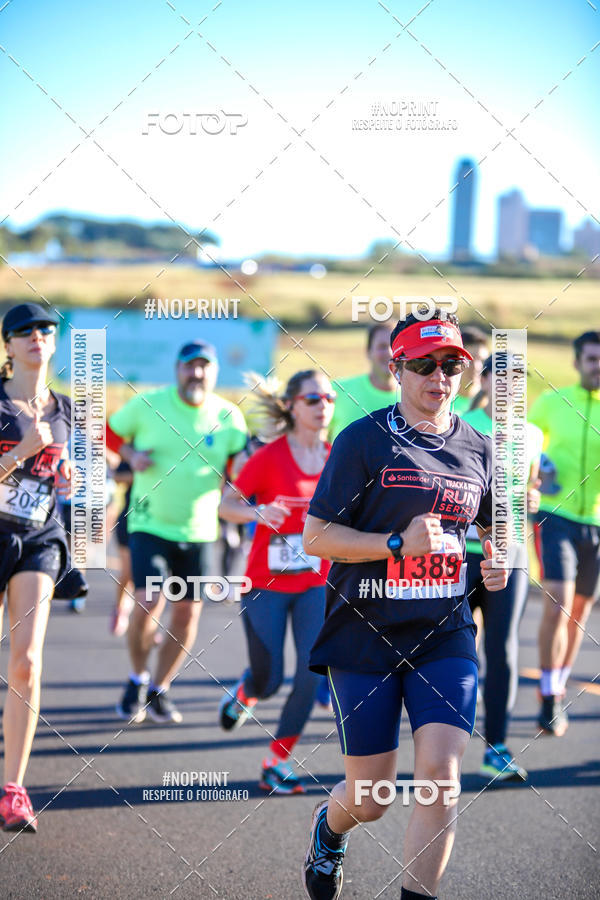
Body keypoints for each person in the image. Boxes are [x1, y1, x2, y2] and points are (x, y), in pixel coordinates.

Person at [300, 310, 509, 900]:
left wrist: (496, 566)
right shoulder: (363, 440)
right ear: (396, 369)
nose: (438, 377)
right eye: (422, 365)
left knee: (442, 780)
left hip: (443, 633)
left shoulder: (479, 446)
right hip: (364, 632)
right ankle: (329, 827)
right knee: (371, 798)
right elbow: (316, 537)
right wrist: (395, 544)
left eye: (450, 365)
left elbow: (496, 533)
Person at [107, 341, 247, 725]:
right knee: (149, 598)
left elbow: (240, 470)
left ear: (215, 372)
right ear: (177, 370)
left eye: (204, 367)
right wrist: (131, 457)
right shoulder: (148, 404)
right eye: (189, 367)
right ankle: (137, 677)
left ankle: (160, 689)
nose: (196, 374)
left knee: (186, 614)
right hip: (149, 523)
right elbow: (107, 432)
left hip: (200, 530)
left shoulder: (229, 416)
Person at [218, 370, 333, 793]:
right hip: (265, 584)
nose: (323, 407)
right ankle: (247, 690)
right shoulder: (268, 457)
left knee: (311, 673)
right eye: (313, 399)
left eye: (329, 399)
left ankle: (277, 761)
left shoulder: (337, 457)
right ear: (291, 406)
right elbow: (227, 505)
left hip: (315, 584)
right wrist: (258, 513)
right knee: (270, 680)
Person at [0, 302, 72, 834]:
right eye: (23, 331)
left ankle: (13, 789)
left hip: (39, 539)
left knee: (26, 662)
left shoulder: (66, 409)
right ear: (7, 345)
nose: (36, 337)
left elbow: (78, 484)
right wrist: (19, 453)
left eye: (45, 329)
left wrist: (69, 481)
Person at [463, 353, 543, 780]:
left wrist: (533, 499)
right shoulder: (458, 420)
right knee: (449, 649)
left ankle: (497, 746)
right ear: (486, 380)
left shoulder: (531, 434)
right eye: (503, 378)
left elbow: (527, 486)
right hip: (460, 553)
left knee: (502, 650)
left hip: (510, 554)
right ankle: (441, 746)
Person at [528, 330, 600, 735]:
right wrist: (539, 468)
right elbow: (522, 443)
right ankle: (550, 695)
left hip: (597, 521)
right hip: (556, 516)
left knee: (580, 613)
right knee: (559, 603)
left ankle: (556, 683)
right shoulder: (553, 402)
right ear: (576, 362)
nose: (598, 366)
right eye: (591, 359)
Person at [329, 323, 396, 440]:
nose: (389, 353)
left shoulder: (413, 399)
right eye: (382, 346)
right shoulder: (337, 390)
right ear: (368, 352)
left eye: (394, 347)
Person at [451, 325, 488, 416]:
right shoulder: (439, 403)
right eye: (470, 359)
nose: (477, 367)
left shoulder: (490, 408)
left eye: (482, 360)